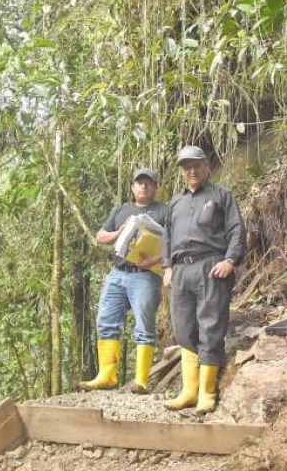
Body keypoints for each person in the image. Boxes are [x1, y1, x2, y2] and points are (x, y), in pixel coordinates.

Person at [162, 146, 246, 413]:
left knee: (210, 327)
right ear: (182, 171)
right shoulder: (176, 202)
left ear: (206, 166)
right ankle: (189, 391)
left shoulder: (221, 195)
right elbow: (167, 235)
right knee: (184, 329)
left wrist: (230, 260)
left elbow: (236, 229)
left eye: (196, 164)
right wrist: (167, 266)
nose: (192, 170)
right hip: (181, 271)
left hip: (211, 266)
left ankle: (207, 393)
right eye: (186, 166)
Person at [78, 168, 167, 394]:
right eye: (139, 183)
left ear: (156, 187)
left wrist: (156, 259)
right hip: (118, 272)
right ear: (132, 187)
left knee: (144, 324)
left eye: (149, 183)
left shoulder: (165, 211)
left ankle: (141, 380)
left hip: (147, 275)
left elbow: (176, 244)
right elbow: (100, 237)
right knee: (106, 319)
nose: (143, 187)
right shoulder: (122, 209)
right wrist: (119, 233)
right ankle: (107, 375)